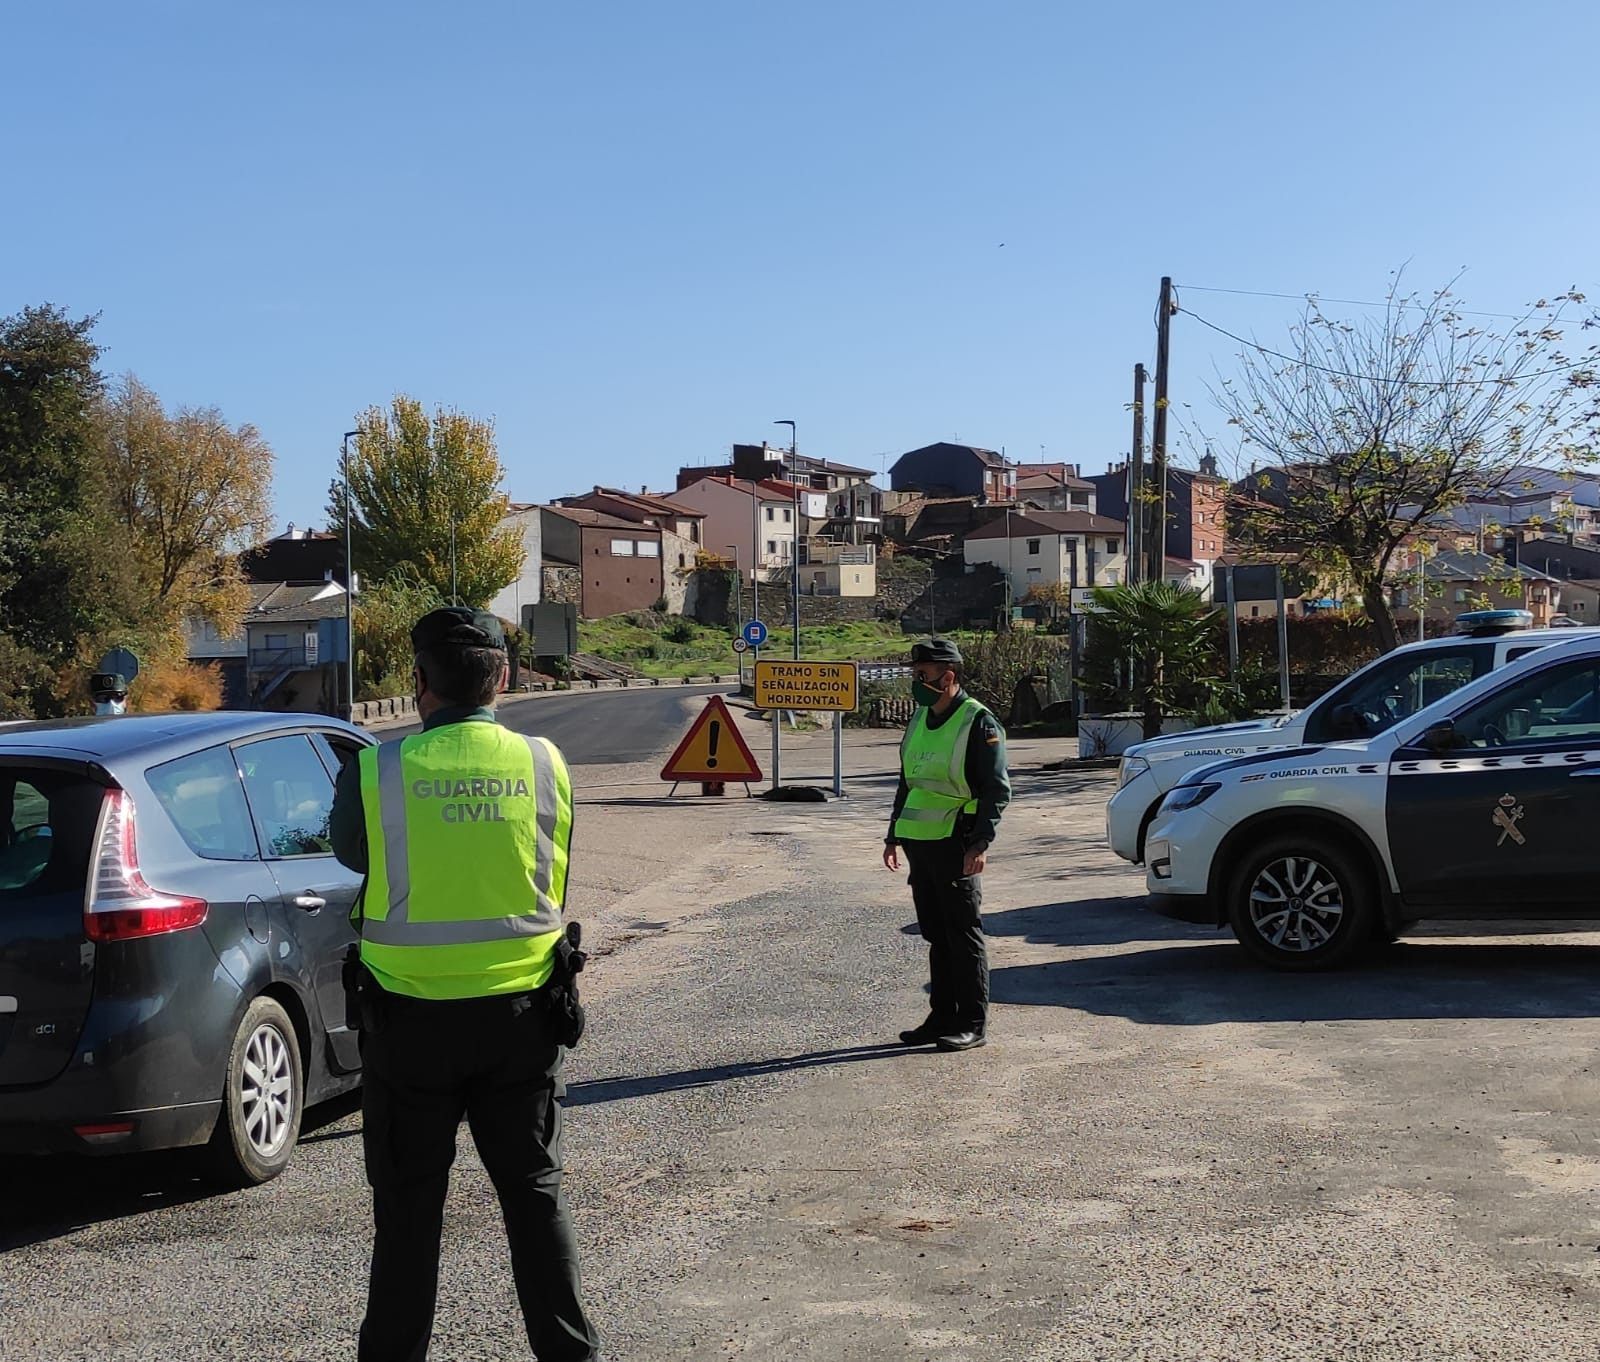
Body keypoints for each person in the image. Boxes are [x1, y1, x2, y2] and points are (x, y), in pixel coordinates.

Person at [330, 607, 600, 1362]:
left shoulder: (376, 768)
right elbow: (553, 870)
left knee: (409, 1212)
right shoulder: (547, 763)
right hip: (523, 1020)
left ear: (417, 683)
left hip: (408, 1027)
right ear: (503, 679)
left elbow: (352, 852)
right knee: (534, 1197)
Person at [881, 638, 1011, 1052]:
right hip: (921, 842)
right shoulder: (919, 718)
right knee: (937, 935)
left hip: (956, 842)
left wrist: (980, 843)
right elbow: (908, 782)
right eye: (914, 673)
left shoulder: (978, 722)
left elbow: (996, 789)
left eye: (924, 675)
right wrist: (893, 835)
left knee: (963, 934)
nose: (916, 681)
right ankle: (941, 1017)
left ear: (948, 677)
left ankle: (972, 1022)